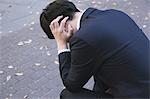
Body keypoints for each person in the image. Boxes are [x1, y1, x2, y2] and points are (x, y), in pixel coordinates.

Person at [40, 0, 149, 98]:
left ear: (63, 26)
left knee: (68, 95)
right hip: (142, 85)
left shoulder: (82, 38)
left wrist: (61, 44)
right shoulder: (115, 13)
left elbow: (72, 84)